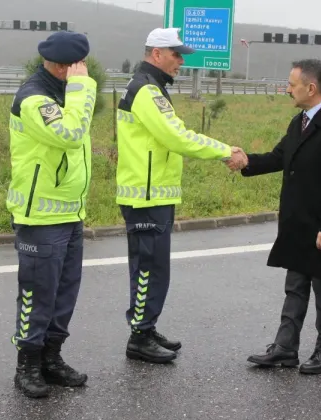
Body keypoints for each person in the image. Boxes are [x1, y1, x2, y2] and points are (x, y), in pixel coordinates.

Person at [115, 27, 244, 364]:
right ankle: (140, 336)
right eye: (176, 54)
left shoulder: (151, 86)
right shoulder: (146, 90)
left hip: (154, 194)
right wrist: (223, 150)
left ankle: (147, 326)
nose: (180, 62)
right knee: (148, 269)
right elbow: (177, 137)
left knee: (156, 268)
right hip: (145, 197)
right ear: (156, 53)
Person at [229, 59, 321, 375]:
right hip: (298, 225)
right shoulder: (298, 122)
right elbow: (278, 157)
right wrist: (245, 161)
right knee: (295, 287)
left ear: (310, 88)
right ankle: (285, 348)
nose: (287, 89)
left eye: (291, 84)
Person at [5, 31, 97, 398]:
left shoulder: (63, 94)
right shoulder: (34, 98)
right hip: (39, 216)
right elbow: (71, 134)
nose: (85, 72)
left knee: (64, 293)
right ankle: (27, 364)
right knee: (37, 295)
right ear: (64, 67)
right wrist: (82, 88)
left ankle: (52, 357)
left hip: (69, 211)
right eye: (79, 66)